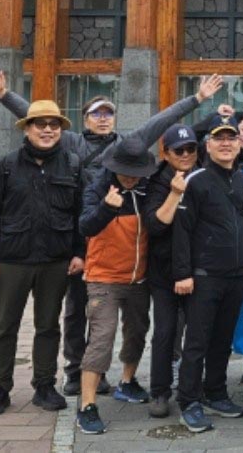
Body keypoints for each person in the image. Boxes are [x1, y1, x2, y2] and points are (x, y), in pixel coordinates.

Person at [0, 63, 223, 396]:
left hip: (122, 240)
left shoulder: (129, 143)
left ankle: (111, 374)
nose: (103, 118)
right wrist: (3, 94)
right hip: (85, 232)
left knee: (117, 318)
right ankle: (74, 370)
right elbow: (39, 120)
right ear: (84, 119)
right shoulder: (71, 142)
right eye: (96, 113)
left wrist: (197, 98)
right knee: (75, 309)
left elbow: (162, 121)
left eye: (108, 113)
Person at [0, 101, 83, 417]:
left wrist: (80, 253)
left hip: (55, 260)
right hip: (12, 260)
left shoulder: (73, 165)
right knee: (4, 326)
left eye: (54, 124)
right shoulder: (5, 166)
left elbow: (80, 215)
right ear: (27, 128)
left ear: (61, 130)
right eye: (40, 124)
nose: (47, 130)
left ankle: (45, 385)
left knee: (48, 326)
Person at [172, 113, 243, 433]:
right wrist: (183, 273)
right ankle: (189, 400)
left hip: (236, 275)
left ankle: (215, 392)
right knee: (197, 341)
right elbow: (182, 231)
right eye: (219, 139)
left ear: (239, 144)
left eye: (231, 138)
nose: (226, 144)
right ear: (208, 145)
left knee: (222, 340)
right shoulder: (196, 181)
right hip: (203, 276)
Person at [75, 137, 156, 435]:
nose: (131, 178)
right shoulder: (98, 187)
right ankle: (87, 405)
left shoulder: (147, 188)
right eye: (126, 172)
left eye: (137, 172)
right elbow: (85, 225)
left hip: (138, 278)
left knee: (137, 332)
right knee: (102, 338)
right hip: (103, 278)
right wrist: (107, 208)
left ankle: (127, 381)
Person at [142, 124, 201, 419]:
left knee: (198, 333)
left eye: (191, 149)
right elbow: (155, 225)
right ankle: (160, 391)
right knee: (165, 332)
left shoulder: (202, 176)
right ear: (165, 153)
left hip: (197, 269)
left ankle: (192, 389)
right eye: (179, 150)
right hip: (164, 271)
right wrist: (175, 194)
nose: (186, 154)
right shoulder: (156, 180)